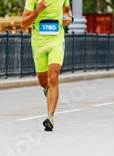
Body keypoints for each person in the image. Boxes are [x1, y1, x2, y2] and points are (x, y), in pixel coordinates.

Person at [22, 0, 73, 131]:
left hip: (56, 40)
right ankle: (46, 88)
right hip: (38, 43)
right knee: (43, 81)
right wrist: (37, 10)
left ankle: (50, 118)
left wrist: (70, 18)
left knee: (53, 78)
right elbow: (23, 24)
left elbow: (67, 10)